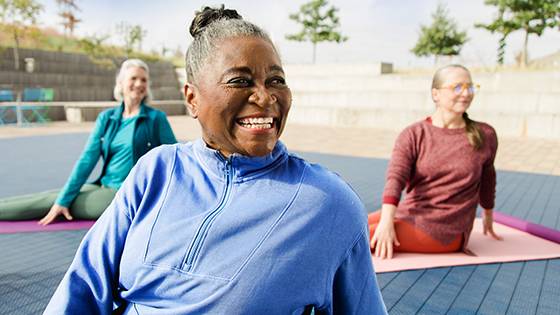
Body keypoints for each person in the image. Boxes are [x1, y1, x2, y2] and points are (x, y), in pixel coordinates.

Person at [44, 6, 387, 314]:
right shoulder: (156, 171)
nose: (265, 97)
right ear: (192, 99)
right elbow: (83, 288)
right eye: (240, 81)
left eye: (276, 80)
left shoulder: (328, 202)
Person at [0, 59, 177, 225]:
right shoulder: (107, 118)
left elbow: (176, 158)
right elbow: (87, 160)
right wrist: (64, 198)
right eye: (134, 78)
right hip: (103, 185)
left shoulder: (156, 119)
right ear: (121, 83)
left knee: (52, 201)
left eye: (143, 80)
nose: (139, 84)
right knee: (56, 195)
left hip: (125, 194)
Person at [370, 64, 502, 259]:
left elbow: (488, 178)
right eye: (457, 87)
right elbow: (395, 178)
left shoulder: (485, 135)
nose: (466, 93)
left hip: (446, 230)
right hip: (409, 213)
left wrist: (488, 215)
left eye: (470, 87)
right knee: (345, 226)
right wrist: (387, 220)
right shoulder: (414, 134)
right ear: (435, 94)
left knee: (348, 238)